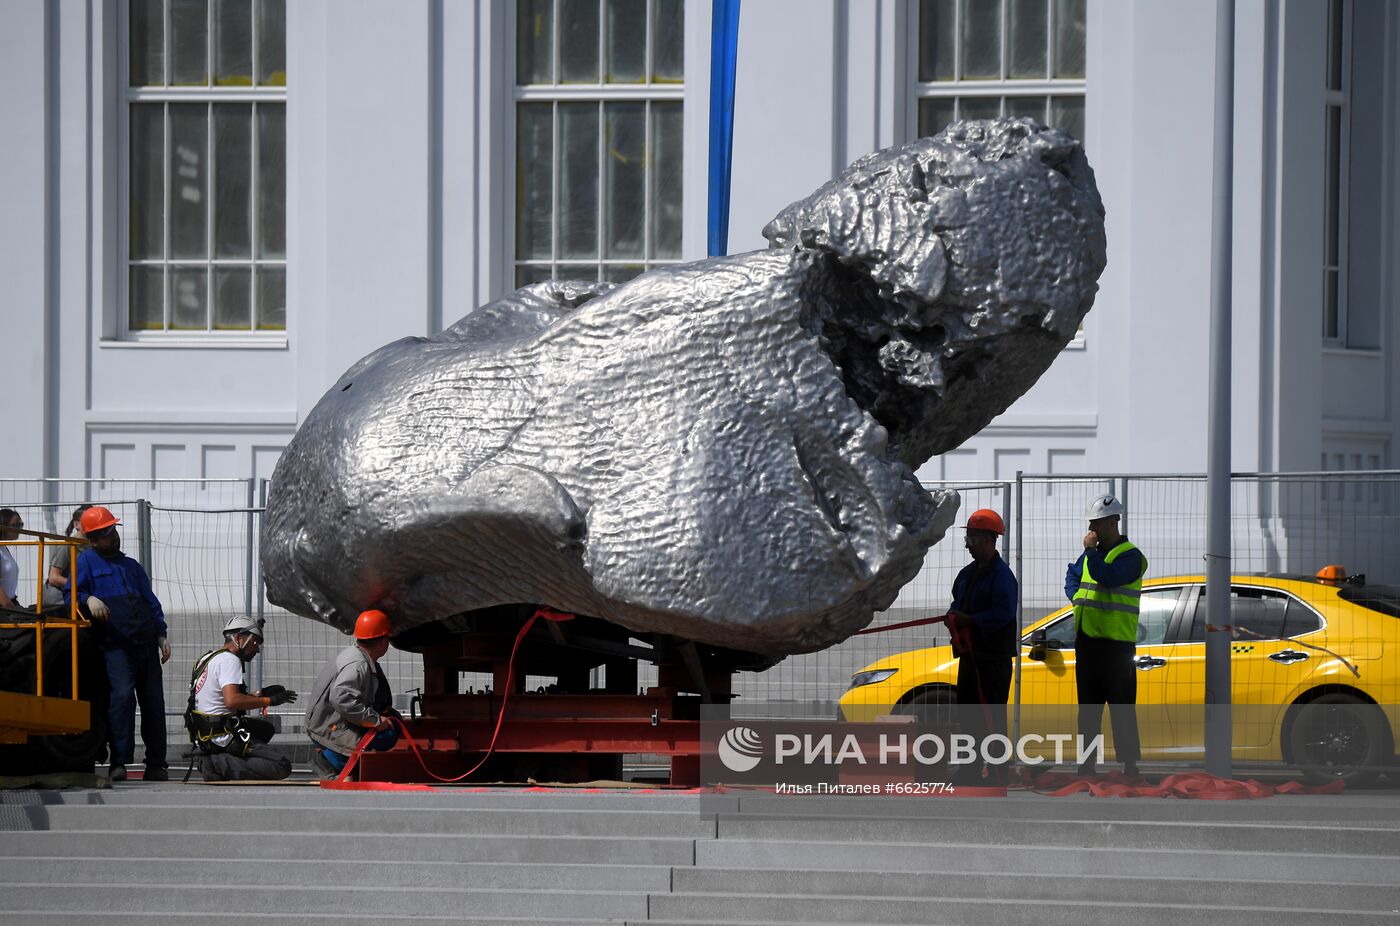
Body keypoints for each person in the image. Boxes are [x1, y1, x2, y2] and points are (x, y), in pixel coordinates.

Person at [65, 505, 171, 782]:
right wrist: (87, 599)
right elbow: (70, 595)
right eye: (106, 534)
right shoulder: (86, 562)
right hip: (115, 646)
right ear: (93, 539)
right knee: (121, 699)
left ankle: (157, 763)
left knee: (153, 703)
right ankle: (119, 761)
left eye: (113, 531)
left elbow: (150, 601)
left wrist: (161, 634)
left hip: (145, 644)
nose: (113, 537)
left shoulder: (131, 566)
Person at [1065, 493, 1148, 778]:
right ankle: (1087, 763)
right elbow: (1072, 576)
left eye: (1097, 523)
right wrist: (1075, 597)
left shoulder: (1131, 557)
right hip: (1087, 641)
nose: (1092, 530)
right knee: (1088, 709)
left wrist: (1090, 553)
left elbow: (1108, 577)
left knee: (1122, 706)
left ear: (1113, 522)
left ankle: (1129, 764)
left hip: (1116, 645)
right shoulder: (1093, 553)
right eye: (1091, 523)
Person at [946, 508, 1018, 786]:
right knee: (969, 714)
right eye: (968, 538)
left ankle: (999, 771)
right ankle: (971, 768)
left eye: (973, 539)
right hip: (970, 658)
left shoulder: (1002, 577)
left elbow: (1003, 614)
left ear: (989, 539)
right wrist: (953, 615)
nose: (968, 544)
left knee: (992, 716)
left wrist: (971, 620)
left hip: (994, 659)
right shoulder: (967, 574)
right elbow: (957, 601)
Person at [186, 615, 297, 781]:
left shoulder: (208, 658)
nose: (257, 649)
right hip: (221, 735)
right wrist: (269, 701)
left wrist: (262, 693)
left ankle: (227, 757)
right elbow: (232, 701)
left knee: (265, 729)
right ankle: (217, 763)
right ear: (238, 638)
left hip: (204, 734)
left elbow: (220, 699)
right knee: (281, 766)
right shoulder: (230, 660)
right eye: (255, 642)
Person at [305, 609, 400, 779]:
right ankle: (329, 761)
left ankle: (338, 758)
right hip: (326, 728)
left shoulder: (358, 656)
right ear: (382, 640)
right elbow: (341, 698)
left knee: (392, 720)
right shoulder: (358, 665)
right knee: (388, 734)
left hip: (327, 721)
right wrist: (375, 720)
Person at [42, 504, 91, 609]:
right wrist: (78, 584)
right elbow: (53, 578)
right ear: (76, 524)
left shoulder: (93, 547)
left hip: (79, 597)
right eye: (88, 519)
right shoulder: (67, 546)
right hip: (60, 601)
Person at [0, 509, 22, 610]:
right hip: (4, 608)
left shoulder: (4, 548)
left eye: (20, 525)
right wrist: (11, 608)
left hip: (10, 603)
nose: (19, 529)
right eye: (15, 525)